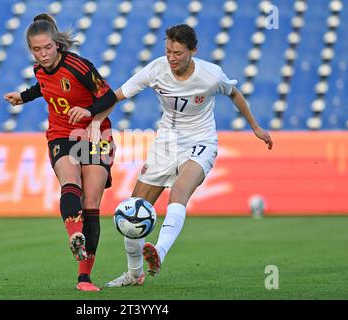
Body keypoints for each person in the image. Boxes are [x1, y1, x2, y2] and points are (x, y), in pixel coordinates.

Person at [88, 24, 273, 287]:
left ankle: (159, 252)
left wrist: (256, 127)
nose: (171, 58)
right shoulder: (156, 69)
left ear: (193, 51)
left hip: (200, 141)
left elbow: (234, 94)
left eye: (178, 53)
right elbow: (117, 95)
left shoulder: (210, 76)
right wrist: (96, 121)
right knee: (133, 210)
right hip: (166, 143)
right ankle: (134, 274)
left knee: (179, 192)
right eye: (168, 51)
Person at [4, 13, 117, 292]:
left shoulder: (79, 66)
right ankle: (74, 234)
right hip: (60, 134)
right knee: (70, 182)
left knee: (91, 203)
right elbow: (44, 86)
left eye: (47, 48)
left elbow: (109, 96)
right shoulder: (39, 69)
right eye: (36, 49)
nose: (42, 54)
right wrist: (23, 96)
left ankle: (84, 279)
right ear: (31, 49)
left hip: (95, 134)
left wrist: (90, 113)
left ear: (57, 44)